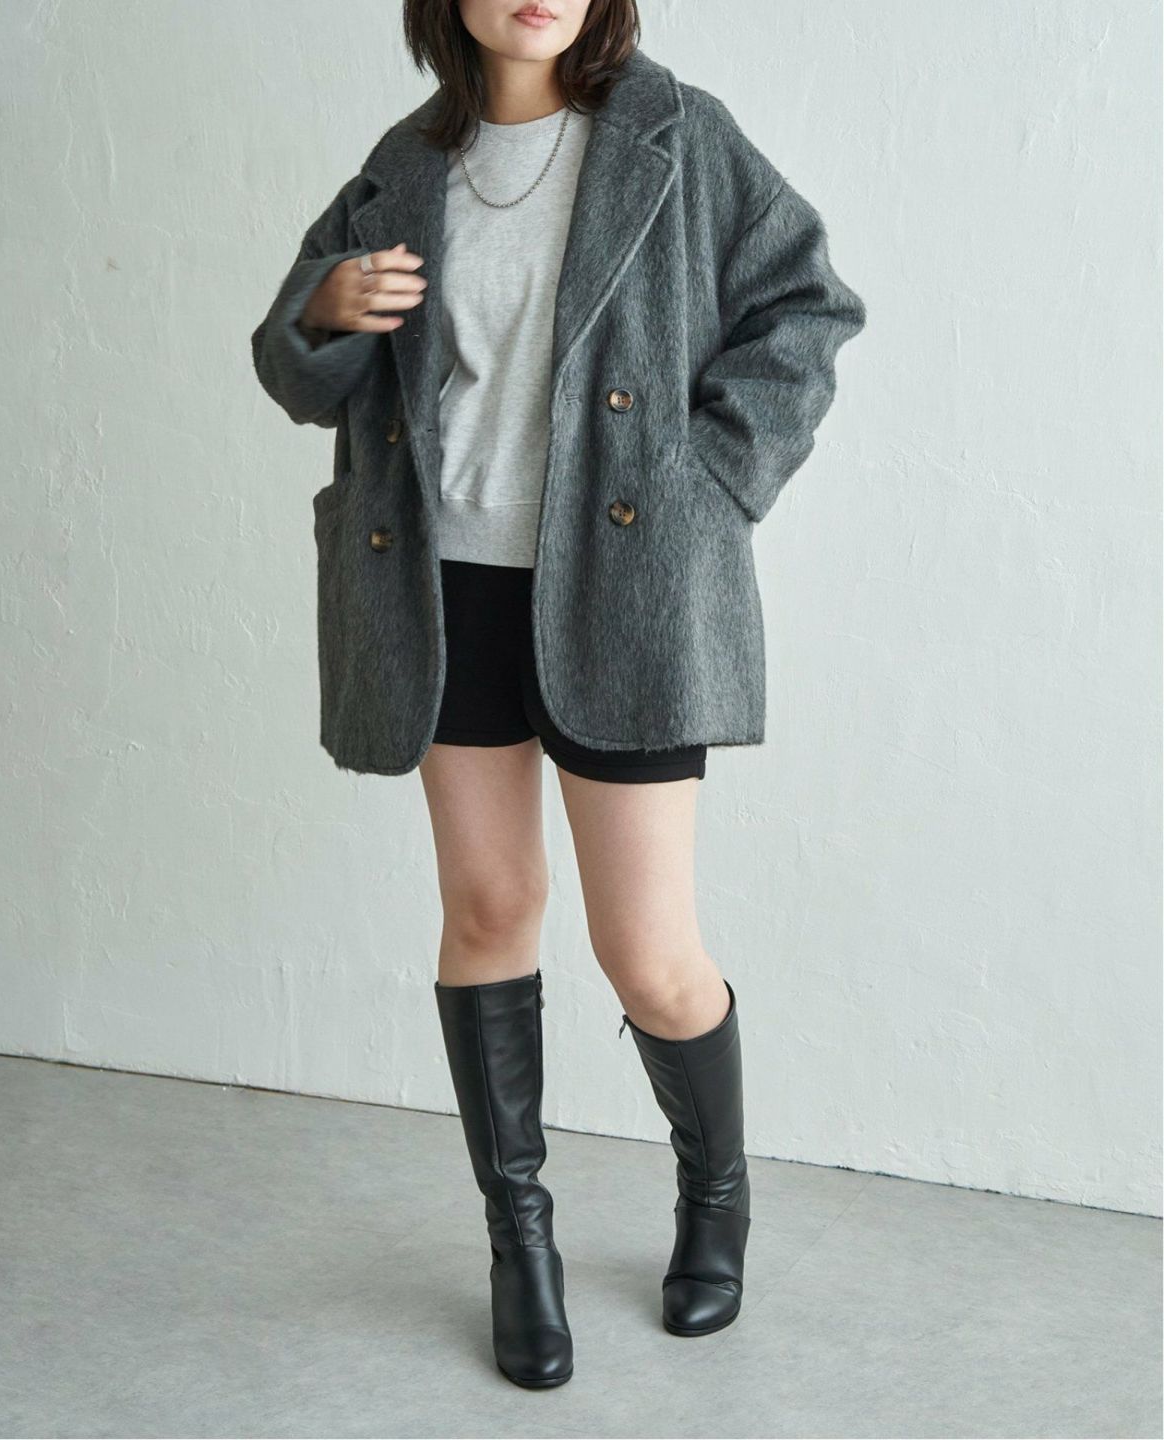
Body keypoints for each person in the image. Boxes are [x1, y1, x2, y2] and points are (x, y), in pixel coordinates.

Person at [250, 0, 866, 1391]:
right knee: (487, 911)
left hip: (626, 587)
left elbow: (808, 304)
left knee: (647, 951)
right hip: (442, 588)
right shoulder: (405, 164)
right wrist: (322, 312)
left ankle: (716, 1200)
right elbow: (295, 370)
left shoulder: (676, 136)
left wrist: (712, 484)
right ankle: (517, 1241)